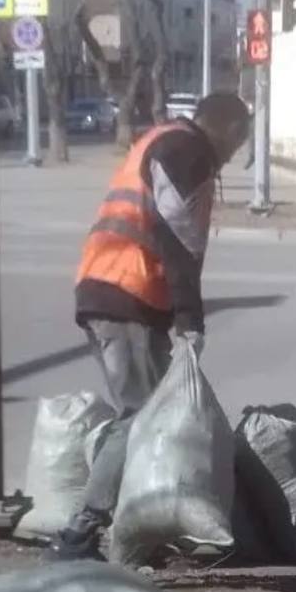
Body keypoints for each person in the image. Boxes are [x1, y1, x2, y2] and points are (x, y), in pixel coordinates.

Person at [48, 92, 251, 561]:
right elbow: (175, 235)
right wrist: (189, 318)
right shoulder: (187, 150)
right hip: (126, 295)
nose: (234, 154)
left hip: (119, 292)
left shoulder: (167, 140)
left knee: (154, 418)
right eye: (238, 143)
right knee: (140, 417)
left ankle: (143, 527)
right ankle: (79, 533)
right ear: (230, 130)